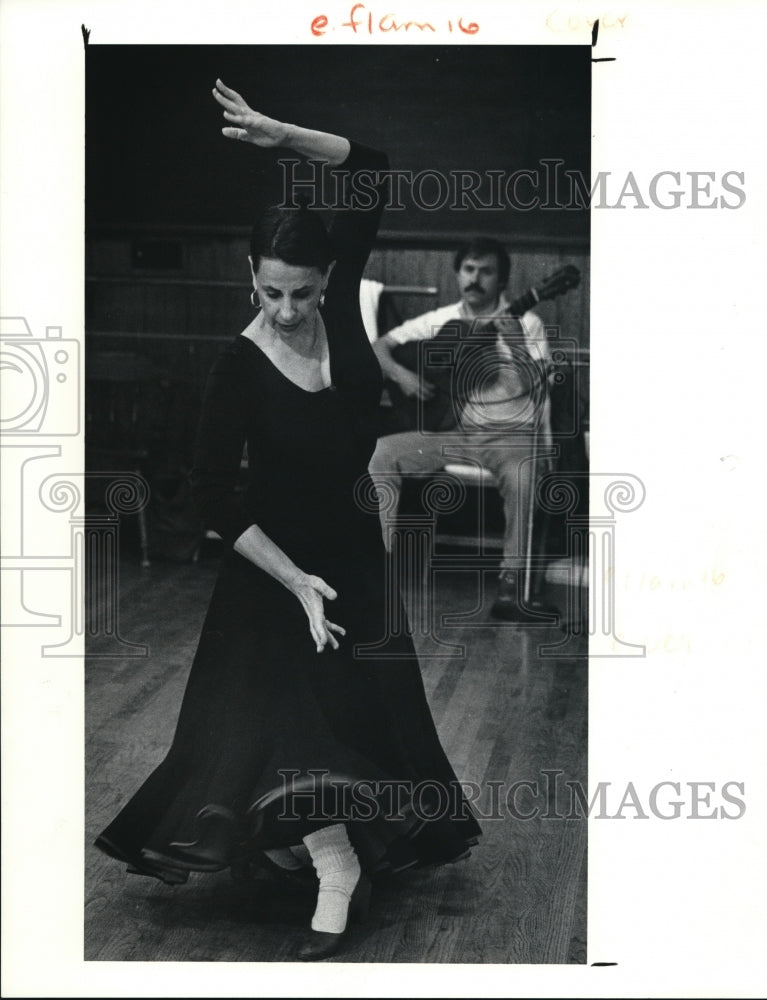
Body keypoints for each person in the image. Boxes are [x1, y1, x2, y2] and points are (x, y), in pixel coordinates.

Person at [94, 79, 481, 962]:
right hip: (272, 566)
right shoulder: (237, 366)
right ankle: (333, 860)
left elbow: (372, 169)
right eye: (274, 292)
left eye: (303, 293)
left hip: (353, 549)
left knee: (363, 713)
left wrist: (282, 137)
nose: (289, 310)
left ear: (327, 280)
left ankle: (301, 840)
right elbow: (209, 496)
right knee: (269, 718)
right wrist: (296, 580)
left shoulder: (340, 316)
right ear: (251, 278)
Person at [369, 237, 557, 619]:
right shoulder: (441, 318)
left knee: (523, 477)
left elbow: (535, 387)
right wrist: (403, 376)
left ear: (502, 280)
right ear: (458, 274)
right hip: (452, 434)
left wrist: (516, 342)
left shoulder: (528, 323)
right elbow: (378, 347)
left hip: (511, 439)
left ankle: (511, 586)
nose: (475, 278)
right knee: (380, 453)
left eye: (486, 271)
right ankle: (375, 569)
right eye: (469, 269)